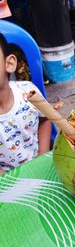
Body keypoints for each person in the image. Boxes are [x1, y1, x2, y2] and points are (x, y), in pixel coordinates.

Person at [0, 33, 51, 174]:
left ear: (9, 64)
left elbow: (45, 118)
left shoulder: (28, 91)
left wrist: (43, 156)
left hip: (40, 162)